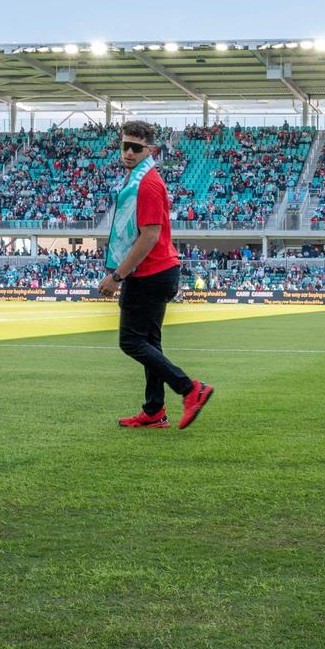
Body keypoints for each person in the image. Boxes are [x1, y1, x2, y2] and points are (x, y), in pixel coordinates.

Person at [99, 120, 214, 429]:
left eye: (136, 148)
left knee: (131, 342)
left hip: (150, 274)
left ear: (149, 150)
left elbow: (149, 236)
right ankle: (154, 411)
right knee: (149, 343)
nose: (128, 152)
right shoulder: (138, 180)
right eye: (125, 145)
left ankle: (191, 389)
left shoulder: (147, 183)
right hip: (158, 272)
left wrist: (117, 277)